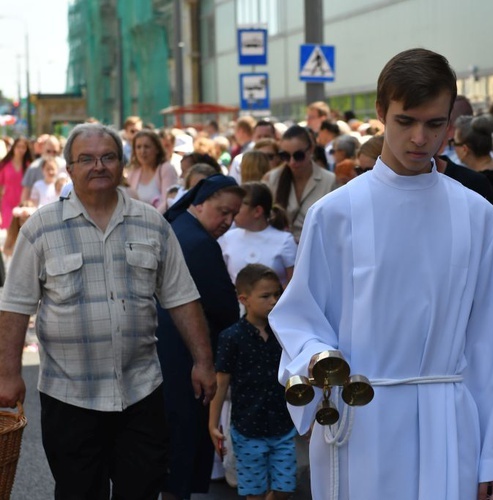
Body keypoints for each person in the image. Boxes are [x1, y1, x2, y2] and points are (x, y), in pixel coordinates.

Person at [269, 48, 493, 500]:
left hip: (448, 421)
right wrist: (319, 362)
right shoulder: (336, 214)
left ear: (450, 124)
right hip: (359, 415)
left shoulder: (475, 215)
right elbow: (300, 316)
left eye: (435, 124)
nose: (421, 138)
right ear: (381, 112)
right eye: (406, 121)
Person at [0, 122, 216, 499]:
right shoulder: (41, 229)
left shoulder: (151, 223)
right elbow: (14, 308)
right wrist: (7, 375)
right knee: (79, 492)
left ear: (121, 166)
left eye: (107, 157)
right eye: (86, 159)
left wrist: (203, 360)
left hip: (141, 390)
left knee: (142, 489)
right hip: (69, 395)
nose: (98, 166)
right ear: (69, 168)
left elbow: (181, 296)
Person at [158, 174, 245, 500]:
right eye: (223, 211)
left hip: (172, 350)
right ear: (199, 202)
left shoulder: (179, 226)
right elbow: (222, 306)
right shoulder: (198, 243)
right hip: (187, 354)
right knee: (181, 441)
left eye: (234, 215)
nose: (228, 221)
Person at [209, 264, 296, 500]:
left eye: (277, 294)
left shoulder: (283, 333)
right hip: (248, 426)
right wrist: (213, 423)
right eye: (266, 296)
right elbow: (222, 383)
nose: (274, 300)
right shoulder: (231, 337)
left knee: (285, 487)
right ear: (244, 299)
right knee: (254, 491)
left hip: (282, 425)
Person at [263, 125, 336, 242]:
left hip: (315, 249)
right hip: (281, 252)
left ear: (311, 149)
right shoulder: (272, 178)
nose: (292, 162)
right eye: (285, 156)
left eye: (298, 155)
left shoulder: (329, 180)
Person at [219, 181, 297, 287]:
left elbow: (294, 282)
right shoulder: (227, 238)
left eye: (239, 207)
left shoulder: (285, 241)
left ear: (257, 211)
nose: (234, 211)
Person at [125, 129, 179, 213]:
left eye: (147, 147)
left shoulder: (166, 169)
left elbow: (168, 202)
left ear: (157, 149)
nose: (142, 151)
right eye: (138, 147)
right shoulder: (133, 172)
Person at [0, 137, 33, 230]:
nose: (21, 149)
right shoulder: (4, 165)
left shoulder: (29, 166)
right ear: (13, 147)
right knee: (8, 228)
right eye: (18, 146)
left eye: (23, 147)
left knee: (22, 230)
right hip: (7, 203)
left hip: (23, 204)